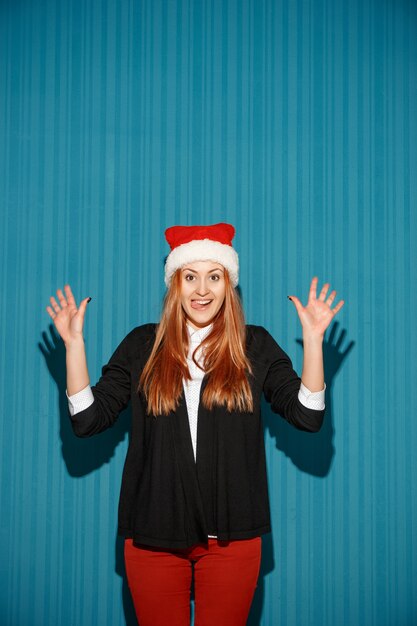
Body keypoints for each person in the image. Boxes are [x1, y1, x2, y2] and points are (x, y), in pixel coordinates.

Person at [46, 222, 344, 626]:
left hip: (233, 541)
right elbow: (87, 420)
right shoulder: (142, 346)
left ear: (228, 284)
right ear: (175, 283)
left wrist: (313, 341)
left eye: (214, 276)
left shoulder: (252, 346)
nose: (202, 290)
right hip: (153, 538)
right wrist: (74, 346)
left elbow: (308, 416)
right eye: (191, 277)